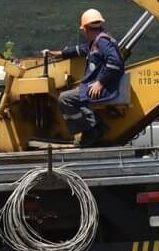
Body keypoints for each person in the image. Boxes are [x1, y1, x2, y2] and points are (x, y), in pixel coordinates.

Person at [41, 8, 125, 147]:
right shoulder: (96, 42)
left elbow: (115, 62)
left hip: (105, 88)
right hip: (97, 86)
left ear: (86, 28)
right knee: (78, 94)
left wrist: (100, 82)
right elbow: (79, 50)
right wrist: (58, 54)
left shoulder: (103, 42)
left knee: (65, 98)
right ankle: (95, 126)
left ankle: (91, 130)